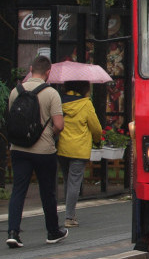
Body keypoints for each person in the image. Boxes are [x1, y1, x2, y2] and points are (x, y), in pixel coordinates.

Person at [6, 55, 68, 248]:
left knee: (18, 190)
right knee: (47, 191)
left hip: (18, 148)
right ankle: (52, 231)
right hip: (43, 150)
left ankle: (13, 232)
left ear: (31, 69)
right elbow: (59, 125)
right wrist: (49, 132)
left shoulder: (15, 92)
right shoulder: (51, 94)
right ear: (48, 72)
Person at [57, 80, 101, 228]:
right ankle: (69, 217)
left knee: (67, 180)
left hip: (62, 148)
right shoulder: (85, 104)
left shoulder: (60, 102)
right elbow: (96, 128)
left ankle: (69, 212)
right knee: (74, 182)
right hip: (79, 149)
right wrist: (97, 141)